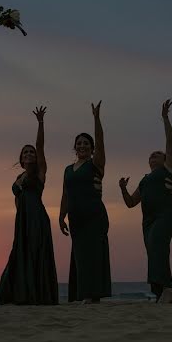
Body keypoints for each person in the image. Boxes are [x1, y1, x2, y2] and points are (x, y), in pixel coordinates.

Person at [119, 100, 172, 304]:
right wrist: (122, 189)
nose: (154, 156)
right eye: (151, 155)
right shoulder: (145, 180)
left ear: (165, 159)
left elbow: (170, 142)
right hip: (148, 221)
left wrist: (165, 118)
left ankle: (166, 290)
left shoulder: (168, 170)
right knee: (155, 253)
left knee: (158, 248)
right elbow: (130, 203)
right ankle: (164, 291)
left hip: (166, 216)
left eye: (158, 154)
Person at [0, 106, 58, 305]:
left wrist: (40, 123)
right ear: (21, 158)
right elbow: (17, 201)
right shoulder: (18, 177)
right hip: (22, 219)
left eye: (31, 151)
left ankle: (38, 295)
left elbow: (40, 146)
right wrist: (20, 218)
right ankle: (20, 294)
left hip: (37, 217)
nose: (30, 153)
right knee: (21, 252)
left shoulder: (40, 171)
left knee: (36, 252)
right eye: (26, 152)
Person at [60, 101, 111, 303]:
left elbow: (100, 140)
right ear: (75, 147)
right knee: (80, 256)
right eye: (79, 143)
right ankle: (84, 294)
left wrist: (96, 119)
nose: (82, 146)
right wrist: (61, 216)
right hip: (75, 217)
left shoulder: (96, 164)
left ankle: (93, 295)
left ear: (92, 148)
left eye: (86, 143)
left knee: (94, 254)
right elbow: (65, 194)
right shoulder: (67, 169)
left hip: (94, 215)